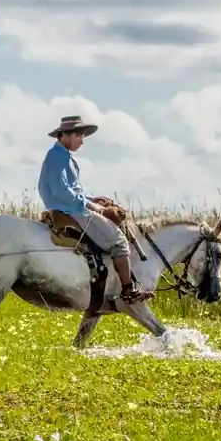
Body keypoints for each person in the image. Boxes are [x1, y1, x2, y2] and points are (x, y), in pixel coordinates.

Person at [37, 115, 154, 304]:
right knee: (119, 241)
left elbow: (72, 190)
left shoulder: (61, 156)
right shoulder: (57, 157)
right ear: (67, 135)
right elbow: (61, 191)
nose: (82, 142)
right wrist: (93, 206)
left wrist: (92, 199)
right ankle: (128, 290)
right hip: (72, 211)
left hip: (72, 206)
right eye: (80, 136)